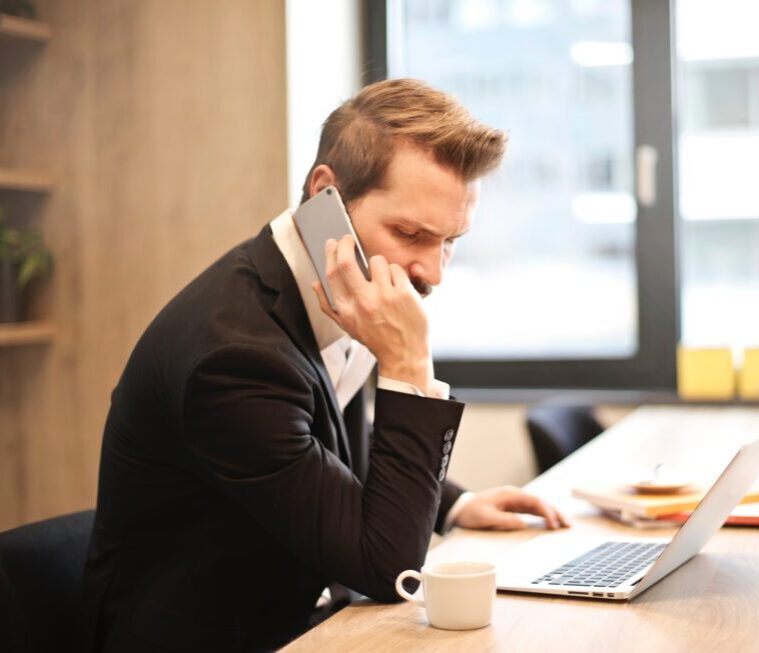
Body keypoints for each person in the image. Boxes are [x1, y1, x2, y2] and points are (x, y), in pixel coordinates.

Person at [82, 78, 568, 652]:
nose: (432, 272)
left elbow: (328, 437)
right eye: (410, 233)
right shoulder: (234, 358)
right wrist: (408, 364)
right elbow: (388, 568)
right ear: (324, 197)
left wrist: (453, 503)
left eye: (450, 241)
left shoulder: (337, 283)